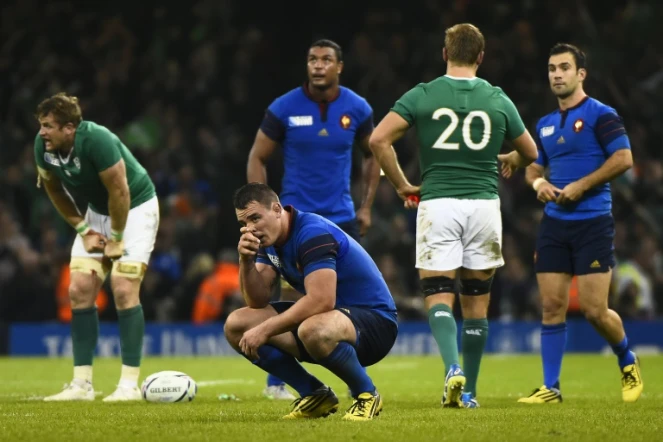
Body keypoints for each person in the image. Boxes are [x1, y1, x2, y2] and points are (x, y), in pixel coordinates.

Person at [368, 23, 538, 408]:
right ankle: (471, 392)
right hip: (484, 205)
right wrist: (512, 157)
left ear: (445, 54)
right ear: (481, 56)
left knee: (438, 294)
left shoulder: (424, 94)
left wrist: (402, 184)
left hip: (439, 202)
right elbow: (530, 151)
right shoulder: (497, 98)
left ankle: (451, 369)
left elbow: (379, 139)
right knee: (477, 300)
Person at [505, 43, 642, 404]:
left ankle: (626, 358)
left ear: (581, 74)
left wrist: (582, 184)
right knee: (551, 307)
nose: (557, 75)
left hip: (593, 222)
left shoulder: (602, 114)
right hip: (554, 224)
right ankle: (551, 387)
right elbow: (533, 166)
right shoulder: (546, 125)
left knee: (596, 311)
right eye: (552, 69)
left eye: (564, 68)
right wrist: (539, 183)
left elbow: (624, 158)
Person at [246, 38, 381, 399]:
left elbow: (374, 155)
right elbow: (257, 156)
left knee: (338, 297)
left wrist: (366, 205)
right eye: (311, 59)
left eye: (325, 60)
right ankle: (283, 382)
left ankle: (351, 371)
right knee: (295, 297)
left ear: (339, 67)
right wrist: (259, 211)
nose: (318, 65)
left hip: (340, 218)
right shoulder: (283, 107)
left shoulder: (358, 108)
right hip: (293, 219)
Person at [225, 183, 397, 421]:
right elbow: (258, 300)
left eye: (255, 218)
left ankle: (367, 395)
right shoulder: (269, 241)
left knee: (313, 328)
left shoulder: (311, 232)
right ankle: (315, 394)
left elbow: (321, 301)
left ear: (276, 209)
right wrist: (246, 261)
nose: (250, 229)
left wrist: (265, 330)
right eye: (244, 223)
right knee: (237, 323)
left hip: (375, 323)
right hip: (332, 319)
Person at [35, 93, 159, 402]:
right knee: (78, 289)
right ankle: (81, 385)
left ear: (70, 128)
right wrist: (83, 229)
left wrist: (116, 237)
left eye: (48, 126)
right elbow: (54, 189)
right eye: (41, 125)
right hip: (97, 214)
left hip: (136, 209)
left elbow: (120, 192)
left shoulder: (98, 140)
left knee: (123, 287)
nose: (42, 133)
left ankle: (129, 385)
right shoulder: (44, 148)